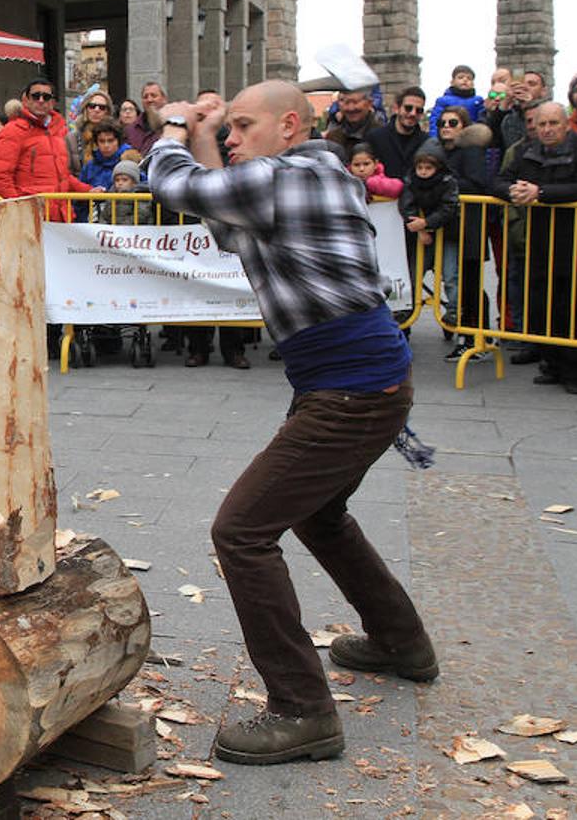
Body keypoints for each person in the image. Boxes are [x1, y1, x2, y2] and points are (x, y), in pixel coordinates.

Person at [147, 80, 435, 766]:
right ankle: (401, 642)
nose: (234, 136)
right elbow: (226, 222)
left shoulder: (286, 175)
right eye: (230, 129)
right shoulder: (300, 174)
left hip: (350, 390)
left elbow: (175, 184)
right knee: (320, 514)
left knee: (241, 532)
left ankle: (303, 710)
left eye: (245, 126)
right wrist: (212, 136)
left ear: (290, 127)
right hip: (353, 381)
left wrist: (174, 126)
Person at [494, 102, 577, 394]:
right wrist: (512, 192)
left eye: (553, 123)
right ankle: (551, 364)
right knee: (543, 304)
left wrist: (540, 193)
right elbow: (499, 180)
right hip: (540, 240)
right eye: (542, 124)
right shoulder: (525, 150)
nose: (547, 129)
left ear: (566, 124)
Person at [432, 107, 494, 358]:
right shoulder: (441, 152)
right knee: (458, 282)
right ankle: (470, 335)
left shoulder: (471, 152)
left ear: (464, 126)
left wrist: (445, 182)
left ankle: (476, 337)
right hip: (451, 227)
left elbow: (479, 183)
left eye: (453, 122)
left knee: (470, 283)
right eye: (442, 122)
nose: (446, 126)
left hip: (469, 227)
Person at [0, 77, 93, 221]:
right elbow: (0, 177)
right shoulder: (12, 131)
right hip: (30, 216)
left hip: (58, 216)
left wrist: (89, 191)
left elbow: (63, 176)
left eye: (46, 97)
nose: (40, 100)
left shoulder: (59, 131)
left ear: (52, 102)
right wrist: (19, 209)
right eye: (35, 96)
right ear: (25, 100)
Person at [398, 140, 462, 357]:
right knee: (414, 275)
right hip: (421, 237)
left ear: (438, 167)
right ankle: (406, 312)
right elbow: (406, 204)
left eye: (428, 168)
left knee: (451, 275)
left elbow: (449, 207)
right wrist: (418, 228)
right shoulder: (410, 181)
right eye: (420, 168)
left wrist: (427, 224)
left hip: (448, 235)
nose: (423, 172)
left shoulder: (448, 182)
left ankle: (453, 312)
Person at [365, 86, 425, 182]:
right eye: (408, 108)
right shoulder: (375, 138)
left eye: (419, 110)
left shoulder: (426, 142)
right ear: (396, 108)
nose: (413, 113)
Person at [486, 70, 547, 150]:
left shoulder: (551, 113)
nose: (525, 87)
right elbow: (493, 141)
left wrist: (529, 105)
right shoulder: (508, 116)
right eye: (522, 84)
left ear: (543, 91)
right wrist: (504, 105)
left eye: (531, 84)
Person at [324, 88, 383, 160]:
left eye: (355, 102)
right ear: (339, 105)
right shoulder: (332, 138)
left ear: (369, 103)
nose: (351, 108)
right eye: (346, 102)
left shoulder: (382, 136)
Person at [66, 89, 115, 173]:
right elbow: (68, 172)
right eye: (92, 106)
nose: (96, 110)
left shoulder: (115, 136)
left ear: (107, 112)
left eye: (102, 107)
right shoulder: (72, 138)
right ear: (85, 109)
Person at [427, 65, 484, 136]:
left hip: (471, 136)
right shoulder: (443, 101)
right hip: (448, 135)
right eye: (460, 77)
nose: (465, 80)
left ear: (473, 83)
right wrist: (434, 137)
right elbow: (435, 120)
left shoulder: (478, 101)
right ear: (452, 82)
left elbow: (482, 120)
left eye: (469, 78)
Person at [123, 81, 167, 153]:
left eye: (153, 96)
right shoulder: (130, 130)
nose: (149, 100)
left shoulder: (172, 126)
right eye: (145, 97)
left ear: (164, 99)